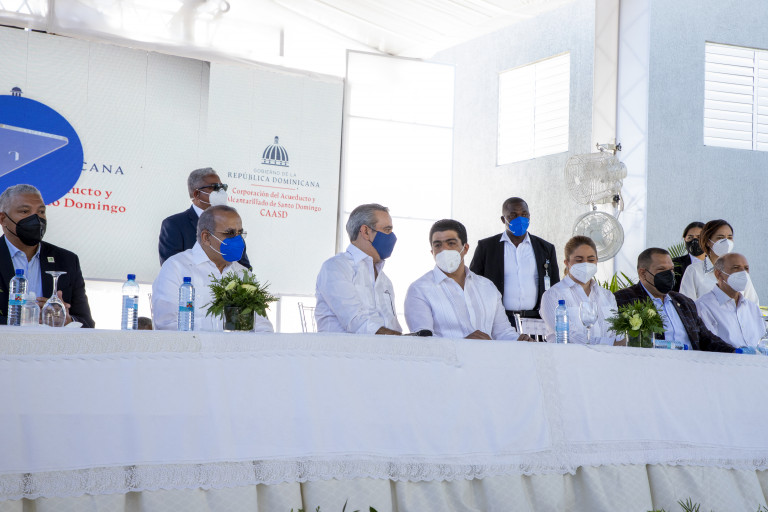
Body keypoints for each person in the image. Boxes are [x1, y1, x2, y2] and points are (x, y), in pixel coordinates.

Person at [404, 219, 532, 341]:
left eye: (451, 243)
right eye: (438, 245)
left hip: (487, 357)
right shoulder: (419, 290)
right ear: (432, 251)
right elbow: (423, 340)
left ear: (465, 248)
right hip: (448, 358)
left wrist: (519, 340)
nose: (444, 250)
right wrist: (464, 343)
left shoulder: (487, 286)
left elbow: (502, 332)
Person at [152, 205, 273, 332]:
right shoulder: (176, 267)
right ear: (206, 237)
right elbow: (167, 324)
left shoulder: (243, 274)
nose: (238, 240)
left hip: (235, 346)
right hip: (192, 345)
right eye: (230, 233)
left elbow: (262, 326)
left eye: (240, 233)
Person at [0, 184, 94, 327]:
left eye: (41, 212)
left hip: (52, 342)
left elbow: (87, 323)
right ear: (2, 219)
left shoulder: (67, 260)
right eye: (25, 211)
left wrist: (66, 320)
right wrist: (27, 320)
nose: (36, 219)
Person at [614, 248, 734, 352]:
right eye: (661, 270)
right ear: (643, 273)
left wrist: (735, 352)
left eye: (671, 270)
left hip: (690, 364)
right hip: (653, 365)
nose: (669, 275)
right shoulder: (623, 299)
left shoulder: (685, 302)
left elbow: (706, 338)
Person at [315, 203, 401, 335]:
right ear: (365, 231)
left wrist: (406, 340)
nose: (392, 237)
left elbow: (392, 325)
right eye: (387, 230)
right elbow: (356, 322)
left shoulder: (384, 280)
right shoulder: (336, 267)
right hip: (345, 348)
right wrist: (398, 339)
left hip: (383, 347)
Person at [470, 197, 559, 322]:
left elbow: (554, 286)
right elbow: (473, 284)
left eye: (524, 214)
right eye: (513, 215)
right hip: (498, 320)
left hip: (535, 320)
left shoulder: (545, 248)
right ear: (503, 219)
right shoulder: (486, 247)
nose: (520, 219)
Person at [158, 167, 250, 268]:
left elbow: (244, 268)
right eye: (215, 187)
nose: (221, 192)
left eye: (222, 187)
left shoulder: (231, 223)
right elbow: (171, 266)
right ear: (197, 194)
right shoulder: (174, 224)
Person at [540, 236, 617, 344]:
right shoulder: (553, 295)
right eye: (579, 260)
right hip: (568, 354)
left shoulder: (607, 296)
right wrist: (610, 343)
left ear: (597, 261)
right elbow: (570, 336)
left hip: (607, 353)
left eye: (591, 260)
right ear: (567, 263)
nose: (586, 264)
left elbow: (616, 331)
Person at [679, 219, 758, 304]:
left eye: (729, 237)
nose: (726, 242)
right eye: (720, 238)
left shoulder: (741, 271)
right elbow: (686, 306)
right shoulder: (693, 271)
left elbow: (753, 304)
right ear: (708, 241)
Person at [695, 253, 764, 349]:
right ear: (718, 274)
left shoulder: (753, 308)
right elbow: (710, 346)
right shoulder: (703, 306)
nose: (743, 273)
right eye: (736, 268)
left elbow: (762, 343)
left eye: (746, 268)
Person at [672, 221, 705, 293]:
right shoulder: (675, 264)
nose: (694, 241)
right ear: (685, 239)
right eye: (690, 237)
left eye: (699, 237)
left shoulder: (715, 264)